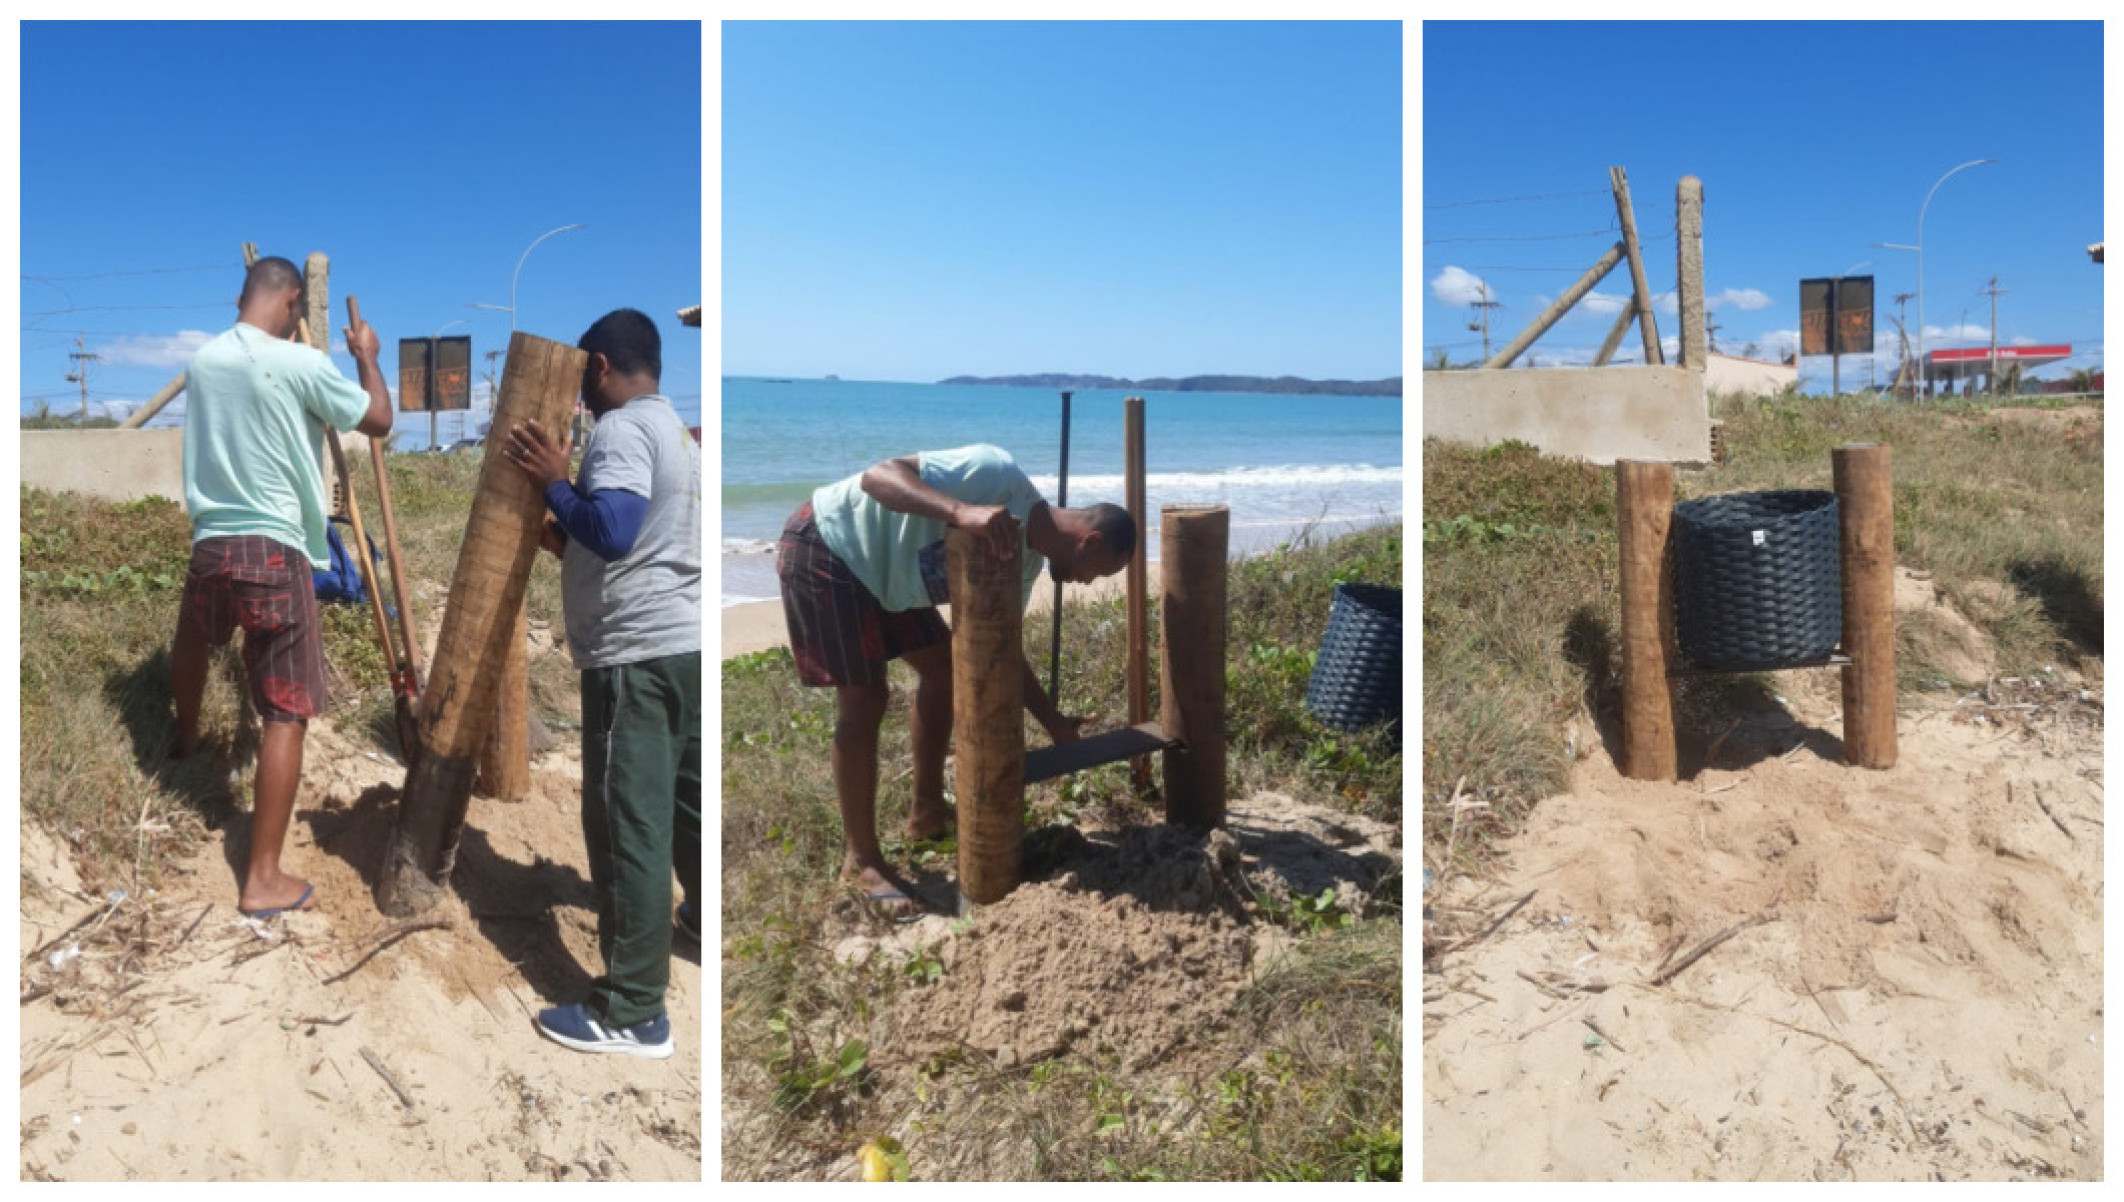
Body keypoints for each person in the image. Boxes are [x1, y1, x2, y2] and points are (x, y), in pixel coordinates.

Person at [776, 444, 1134, 913]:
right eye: (1098, 572)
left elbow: (1002, 648)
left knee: (945, 670)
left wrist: (1054, 724)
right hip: (829, 545)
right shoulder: (995, 474)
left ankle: (925, 813)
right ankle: (860, 860)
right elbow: (878, 477)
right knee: (865, 700)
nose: (1088, 583)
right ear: (1089, 543)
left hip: (885, 578)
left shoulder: (1022, 563)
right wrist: (962, 512)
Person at [502, 308, 701, 1060]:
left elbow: (615, 532)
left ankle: (633, 1010)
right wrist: (565, 523)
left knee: (627, 822)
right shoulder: (674, 431)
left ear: (601, 367)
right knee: (682, 805)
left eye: (585, 377)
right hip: (680, 643)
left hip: (634, 658)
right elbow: (632, 544)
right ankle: (700, 924)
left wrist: (557, 481)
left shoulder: (619, 431)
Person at [168, 256, 394, 917]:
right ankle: (261, 877)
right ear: (293, 303)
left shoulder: (205, 361)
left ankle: (184, 742)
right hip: (274, 549)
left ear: (241, 296)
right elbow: (377, 419)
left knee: (192, 641)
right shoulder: (300, 363)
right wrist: (366, 356)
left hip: (211, 543)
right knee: (285, 710)